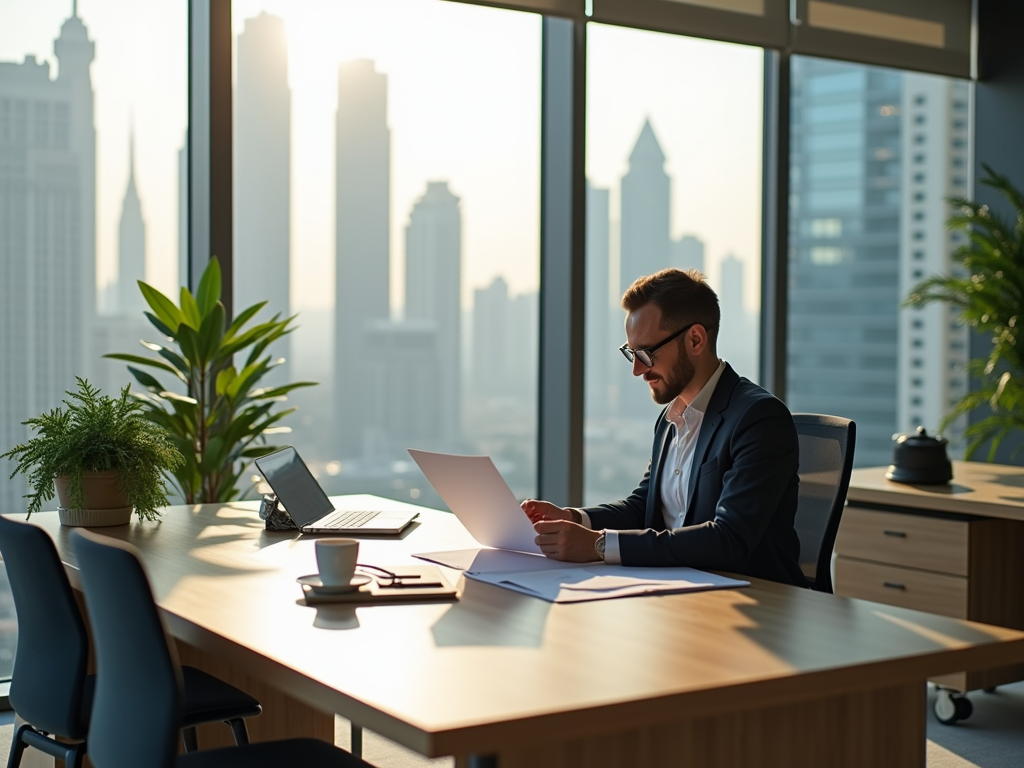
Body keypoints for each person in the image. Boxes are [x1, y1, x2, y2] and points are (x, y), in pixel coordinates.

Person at [522, 268, 807, 587]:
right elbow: (644, 506)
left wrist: (598, 545)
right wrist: (575, 518)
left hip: (755, 602)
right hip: (677, 590)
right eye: (632, 353)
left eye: (646, 353)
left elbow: (729, 539)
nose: (637, 370)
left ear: (695, 339)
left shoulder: (758, 418)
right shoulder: (671, 418)